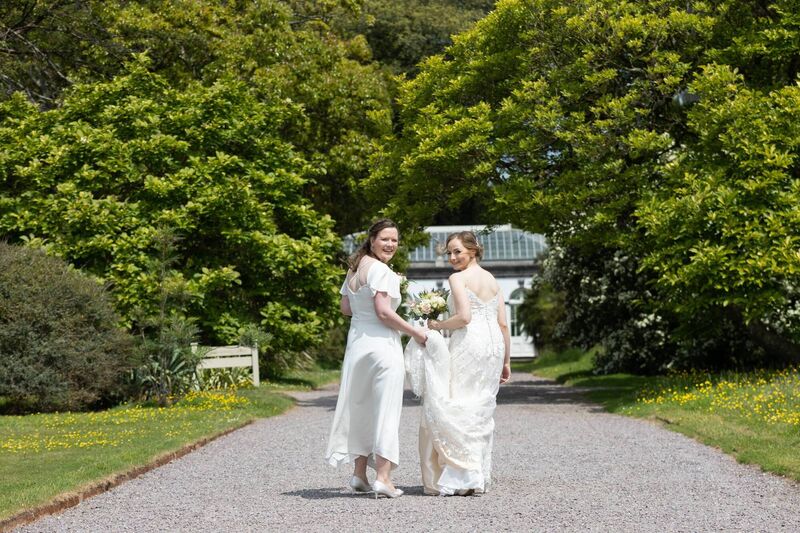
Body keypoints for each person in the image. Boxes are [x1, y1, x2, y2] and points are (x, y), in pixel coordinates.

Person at [325, 218, 428, 499]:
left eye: (395, 240)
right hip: (382, 347)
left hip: (358, 346)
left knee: (361, 407)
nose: (391, 244)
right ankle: (383, 478)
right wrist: (415, 332)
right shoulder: (381, 271)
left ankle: (359, 475)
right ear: (372, 240)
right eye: (385, 239)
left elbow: (346, 308)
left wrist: (365, 313)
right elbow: (383, 312)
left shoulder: (354, 269)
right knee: (385, 410)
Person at [405, 230, 511, 496]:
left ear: (472, 251)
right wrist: (506, 361)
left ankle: (462, 477)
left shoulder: (457, 278)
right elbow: (502, 324)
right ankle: (477, 475)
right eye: (449, 253)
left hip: (469, 343)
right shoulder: (491, 279)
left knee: (460, 404)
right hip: (493, 347)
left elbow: (464, 317)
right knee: (480, 407)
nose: (452, 257)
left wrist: (437, 325)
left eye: (457, 252)